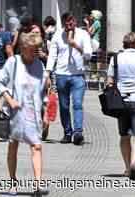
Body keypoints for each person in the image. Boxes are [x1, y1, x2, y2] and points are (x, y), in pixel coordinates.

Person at [0, 33, 48, 196]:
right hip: (16, 113)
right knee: (13, 146)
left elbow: (44, 91)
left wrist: (45, 114)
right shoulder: (13, 62)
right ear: (23, 48)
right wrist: (10, 100)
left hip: (33, 113)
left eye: (37, 50)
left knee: (37, 146)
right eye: (33, 50)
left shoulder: (39, 65)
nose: (35, 53)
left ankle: (38, 185)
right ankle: (13, 182)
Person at [46, 13, 92, 145]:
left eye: (71, 22)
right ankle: (67, 132)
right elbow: (52, 56)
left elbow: (88, 55)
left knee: (77, 104)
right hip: (61, 75)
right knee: (64, 106)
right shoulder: (57, 36)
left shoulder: (83, 35)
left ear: (75, 22)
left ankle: (78, 133)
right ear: (64, 23)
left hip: (78, 75)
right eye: (66, 23)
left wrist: (76, 46)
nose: (69, 25)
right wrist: (48, 73)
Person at [107, 32, 135, 181]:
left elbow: (109, 81)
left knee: (124, 136)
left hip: (121, 101)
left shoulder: (116, 58)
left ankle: (128, 168)